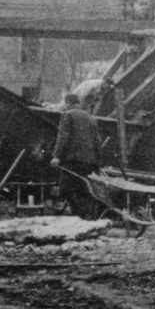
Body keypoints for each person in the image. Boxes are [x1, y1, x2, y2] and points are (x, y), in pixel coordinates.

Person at [51, 91, 101, 219]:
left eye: (65, 103)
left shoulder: (68, 115)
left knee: (68, 188)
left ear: (68, 103)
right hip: (90, 161)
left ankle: (79, 217)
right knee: (84, 189)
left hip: (73, 159)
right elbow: (97, 141)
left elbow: (63, 137)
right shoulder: (91, 118)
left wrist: (57, 156)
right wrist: (98, 161)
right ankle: (85, 216)